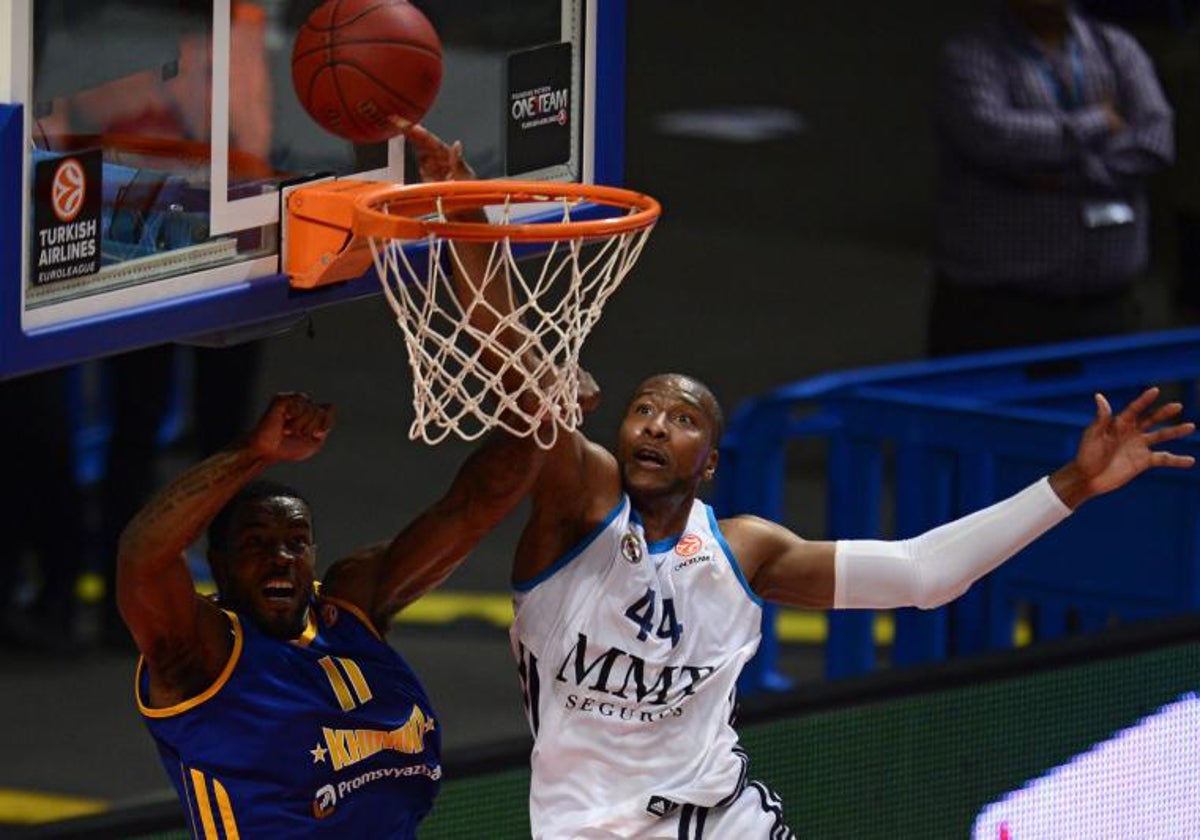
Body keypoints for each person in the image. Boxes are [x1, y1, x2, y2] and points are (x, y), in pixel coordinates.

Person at [507, 374, 1193, 837]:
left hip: (722, 823)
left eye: (682, 420)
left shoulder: (745, 553)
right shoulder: (572, 523)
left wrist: (1075, 482)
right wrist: (469, 230)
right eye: (644, 411)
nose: (656, 427)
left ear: (710, 462)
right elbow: (516, 369)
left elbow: (925, 574)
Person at [117, 128, 541, 835]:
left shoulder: (351, 609)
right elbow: (141, 556)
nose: (281, 555)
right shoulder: (199, 653)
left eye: (295, 540)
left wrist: (532, 403)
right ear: (218, 567)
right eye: (255, 543)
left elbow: (478, 500)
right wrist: (255, 454)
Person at [929, 0, 1175, 356]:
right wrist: (1098, 122)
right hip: (999, 311)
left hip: (1106, 309)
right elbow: (997, 138)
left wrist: (1057, 173)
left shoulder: (1116, 48)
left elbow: (1155, 141)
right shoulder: (970, 57)